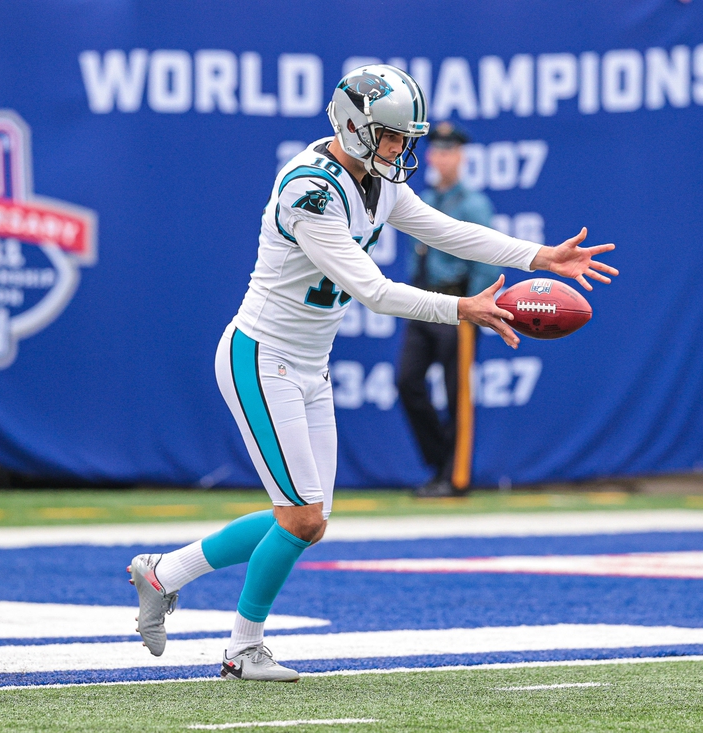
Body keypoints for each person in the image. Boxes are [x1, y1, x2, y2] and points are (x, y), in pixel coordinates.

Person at [128, 64, 617, 682]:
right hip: (262, 356)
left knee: (304, 520)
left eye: (402, 138)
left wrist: (538, 255)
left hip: (311, 364)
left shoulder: (377, 182)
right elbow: (372, 290)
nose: (399, 149)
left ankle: (162, 574)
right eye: (389, 136)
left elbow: (450, 232)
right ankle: (242, 647)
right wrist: (463, 308)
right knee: (301, 517)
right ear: (353, 126)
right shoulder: (310, 191)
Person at [397, 122, 499, 498]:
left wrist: (474, 306)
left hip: (458, 305)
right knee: (407, 382)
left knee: (457, 393)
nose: (443, 158)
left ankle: (455, 477)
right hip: (423, 303)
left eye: (450, 152)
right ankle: (439, 461)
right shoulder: (421, 197)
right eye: (437, 151)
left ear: (462, 157)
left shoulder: (473, 204)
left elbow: (486, 258)